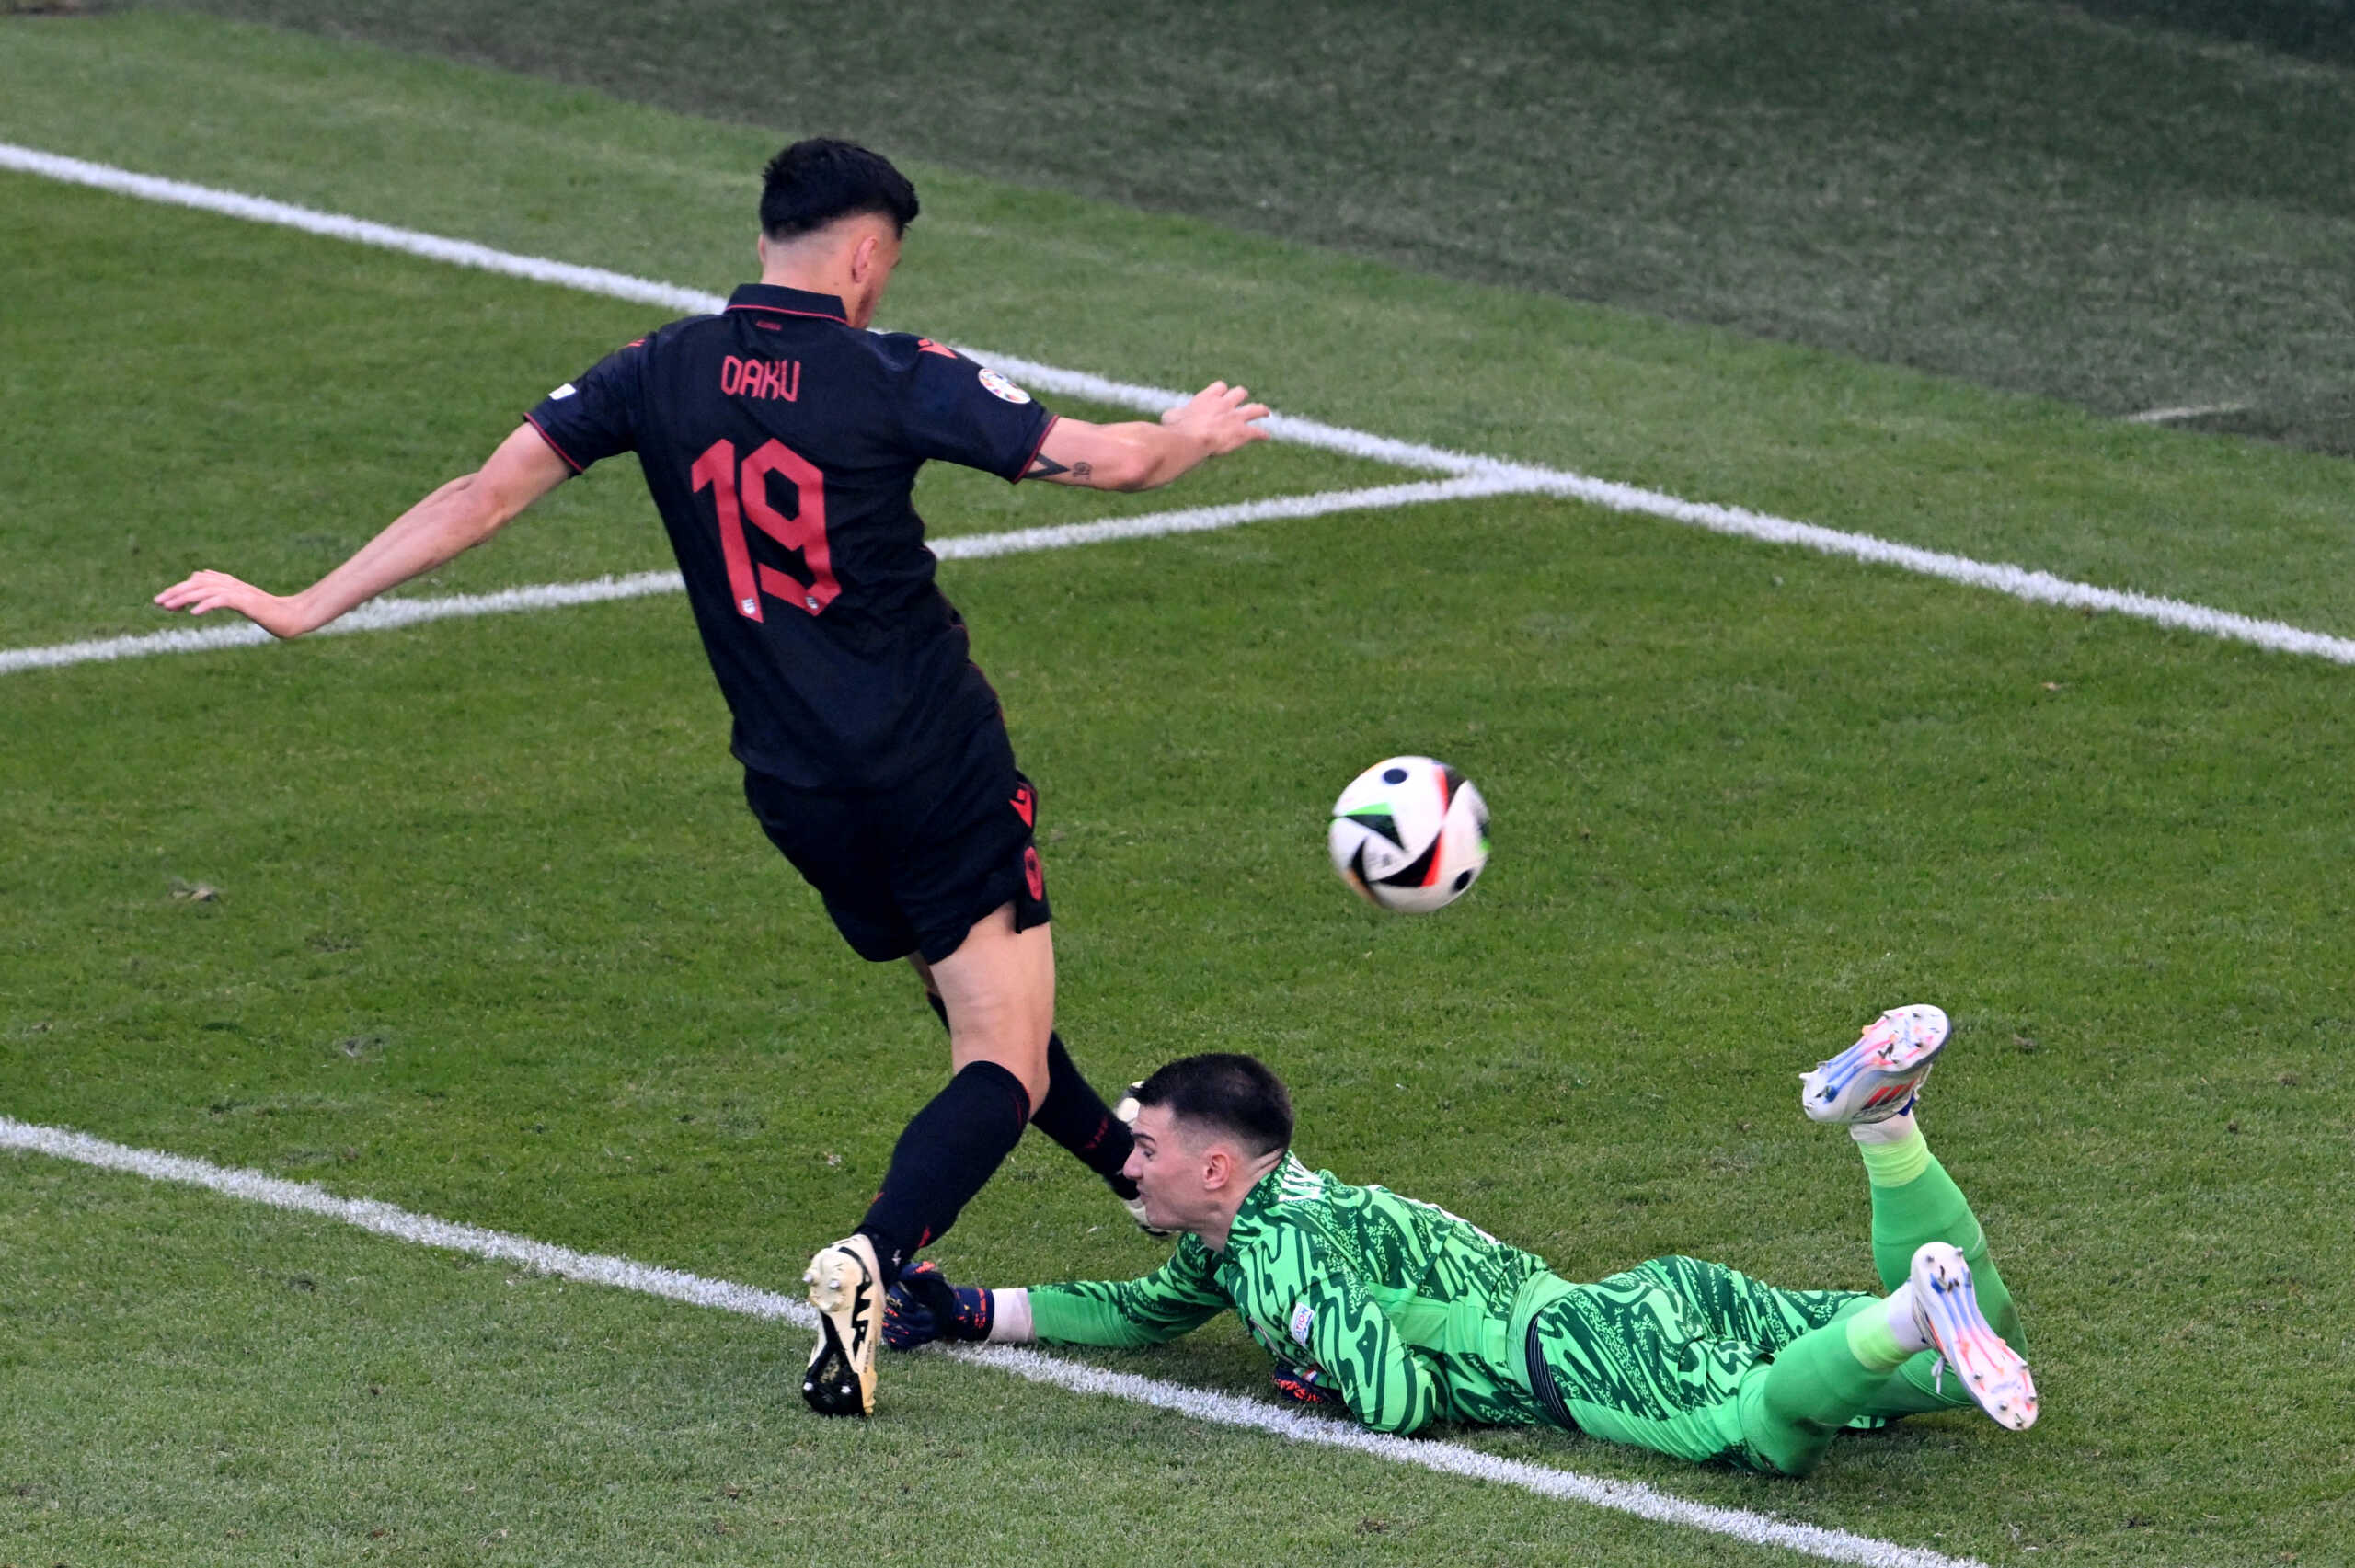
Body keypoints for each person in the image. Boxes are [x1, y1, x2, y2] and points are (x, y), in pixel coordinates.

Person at [152, 138, 1272, 1418]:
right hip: (931, 760)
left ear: (764, 240)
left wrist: (301, 604)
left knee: (978, 1010)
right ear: (865, 254)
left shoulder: (657, 369)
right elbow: (1111, 459)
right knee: (999, 1055)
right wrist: (1189, 432)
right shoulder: (892, 372)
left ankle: (1130, 1178)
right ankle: (875, 1260)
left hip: (797, 786)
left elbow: (481, 494)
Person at [883, 1005, 2039, 1473]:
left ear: (1215, 1169)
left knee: (1763, 1433)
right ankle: (1887, 1131)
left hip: (1580, 1357)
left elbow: (1392, 1400)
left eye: (1141, 1145)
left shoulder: (1277, 1254)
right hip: (1630, 1301)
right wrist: (978, 1307)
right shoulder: (1272, 1223)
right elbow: (1138, 1310)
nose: (1121, 1160)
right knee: (1976, 1352)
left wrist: (1318, 1362)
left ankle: (1899, 1309)